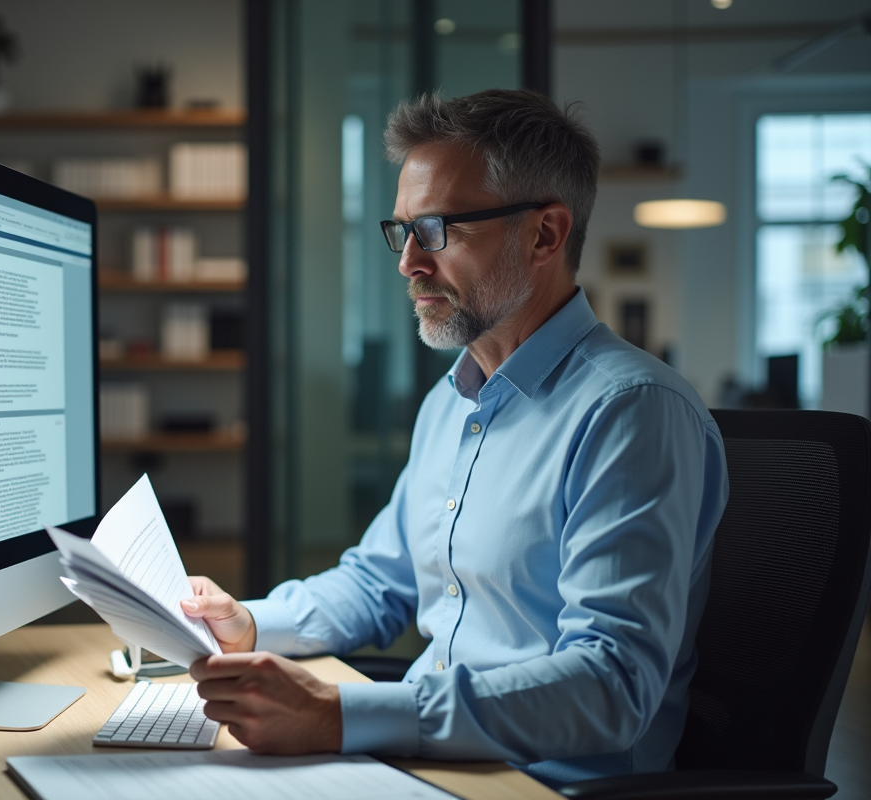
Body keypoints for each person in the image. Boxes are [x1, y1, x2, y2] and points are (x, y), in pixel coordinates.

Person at [181, 89, 729, 788]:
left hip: (542, 784)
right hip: (431, 765)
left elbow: (611, 684)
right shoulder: (452, 401)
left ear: (545, 235)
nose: (409, 262)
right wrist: (246, 625)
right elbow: (381, 581)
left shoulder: (633, 413)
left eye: (438, 229)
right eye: (403, 230)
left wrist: (341, 714)